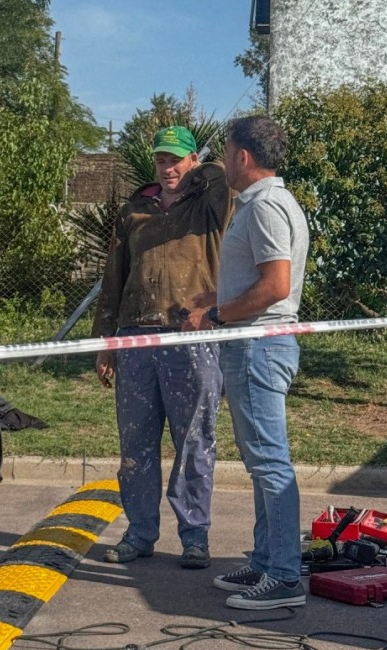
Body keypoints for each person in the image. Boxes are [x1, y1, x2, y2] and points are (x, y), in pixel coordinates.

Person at [93, 126, 234, 570]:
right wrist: (106, 342)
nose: (167, 167)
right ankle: (139, 533)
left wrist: (198, 172)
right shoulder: (136, 209)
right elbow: (113, 277)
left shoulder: (209, 203)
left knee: (194, 440)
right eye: (161, 159)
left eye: (176, 159)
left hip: (190, 336)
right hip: (135, 337)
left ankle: (194, 536)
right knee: (135, 442)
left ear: (192, 160)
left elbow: (222, 176)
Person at [184, 115, 309, 610]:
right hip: (255, 341)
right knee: (262, 463)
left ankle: (283, 578)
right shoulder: (265, 202)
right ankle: (264, 561)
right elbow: (264, 282)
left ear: (243, 156)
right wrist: (223, 296)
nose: (224, 161)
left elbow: (276, 286)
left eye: (228, 151)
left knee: (270, 463)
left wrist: (218, 312)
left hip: (259, 345)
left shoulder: (266, 206)